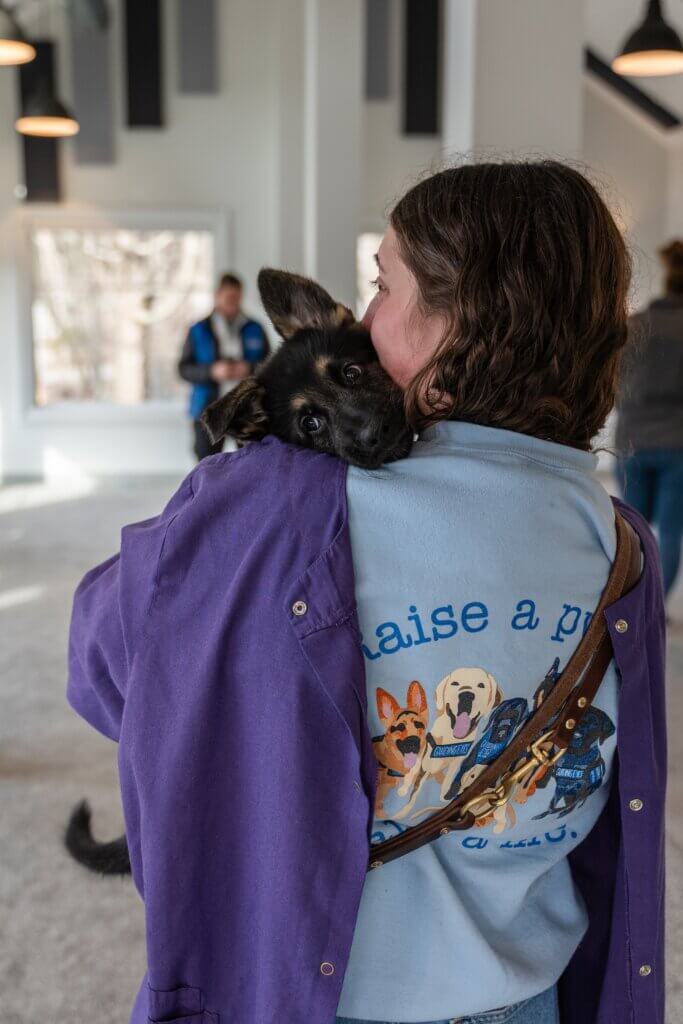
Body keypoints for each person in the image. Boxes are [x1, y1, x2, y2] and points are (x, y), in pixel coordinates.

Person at [66, 162, 666, 1024]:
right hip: (524, 996)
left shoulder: (276, 504)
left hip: (324, 995)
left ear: (456, 322)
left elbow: (102, 665)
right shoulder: (622, 547)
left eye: (383, 285)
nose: (364, 316)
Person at [616, 239, 683, 603]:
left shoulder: (636, 324)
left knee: (632, 532)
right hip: (678, 442)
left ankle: (631, 608)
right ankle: (654, 607)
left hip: (633, 438)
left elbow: (612, 383)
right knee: (670, 532)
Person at [178, 271, 270, 460]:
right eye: (228, 298)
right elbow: (184, 369)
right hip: (208, 409)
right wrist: (212, 372)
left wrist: (249, 369)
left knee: (252, 463)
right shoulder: (199, 330)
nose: (232, 303)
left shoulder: (255, 328)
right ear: (217, 296)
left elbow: (271, 367)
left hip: (247, 410)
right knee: (207, 464)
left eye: (236, 298)